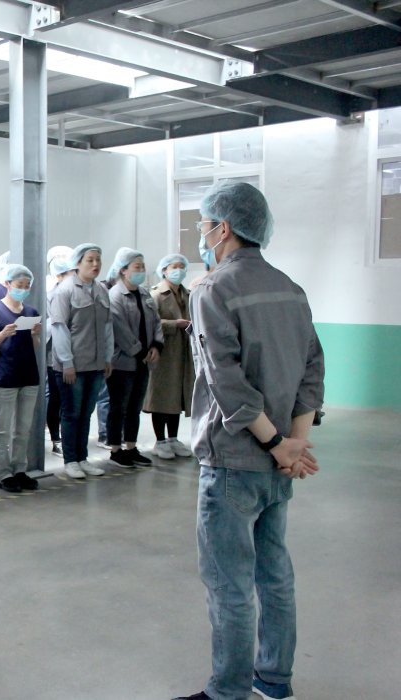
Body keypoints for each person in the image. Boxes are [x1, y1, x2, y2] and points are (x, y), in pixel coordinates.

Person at [173, 182, 324, 700]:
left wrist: (277, 443)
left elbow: (225, 381)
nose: (201, 235)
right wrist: (293, 445)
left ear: (224, 228)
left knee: (229, 584)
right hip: (279, 466)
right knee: (274, 575)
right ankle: (273, 679)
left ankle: (228, 691)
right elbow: (312, 370)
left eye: (204, 225)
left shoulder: (212, 289)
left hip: (235, 460)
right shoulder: (290, 289)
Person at [49, 243, 112, 480]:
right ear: (77, 263)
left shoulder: (101, 290)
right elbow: (59, 328)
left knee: (86, 414)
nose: (95, 264)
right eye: (90, 260)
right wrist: (67, 362)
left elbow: (107, 326)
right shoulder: (64, 291)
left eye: (98, 260)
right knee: (71, 413)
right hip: (72, 366)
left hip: (95, 364)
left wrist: (107, 357)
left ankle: (83, 458)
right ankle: (71, 460)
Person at [0, 264, 43, 493]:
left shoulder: (30, 311)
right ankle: (3, 473)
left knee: (23, 428)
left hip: (29, 375)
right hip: (6, 375)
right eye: (19, 285)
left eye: (27, 286)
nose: (23, 290)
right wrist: (3, 334)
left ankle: (19, 469)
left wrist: (36, 335)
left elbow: (34, 346)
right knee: (3, 430)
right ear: (7, 284)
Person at [105, 247, 163, 468]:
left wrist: (156, 345)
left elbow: (156, 322)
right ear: (123, 270)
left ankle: (131, 446)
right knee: (118, 407)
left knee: (134, 407)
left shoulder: (145, 294)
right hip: (123, 362)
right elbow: (119, 329)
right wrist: (139, 351)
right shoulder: (115, 296)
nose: (141, 271)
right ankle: (115, 449)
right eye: (137, 267)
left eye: (143, 267)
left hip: (143, 361)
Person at [144, 254, 195, 460]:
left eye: (182, 266)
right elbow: (151, 322)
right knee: (161, 397)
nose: (179, 270)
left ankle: (173, 438)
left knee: (176, 397)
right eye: (174, 266)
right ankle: (160, 441)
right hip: (164, 353)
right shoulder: (156, 294)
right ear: (164, 270)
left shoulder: (187, 294)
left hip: (183, 352)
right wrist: (175, 324)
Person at [44, 246, 74, 454]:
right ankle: (56, 438)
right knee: (56, 397)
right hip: (53, 353)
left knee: (69, 400)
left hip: (75, 352)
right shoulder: (51, 293)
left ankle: (67, 437)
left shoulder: (76, 291)